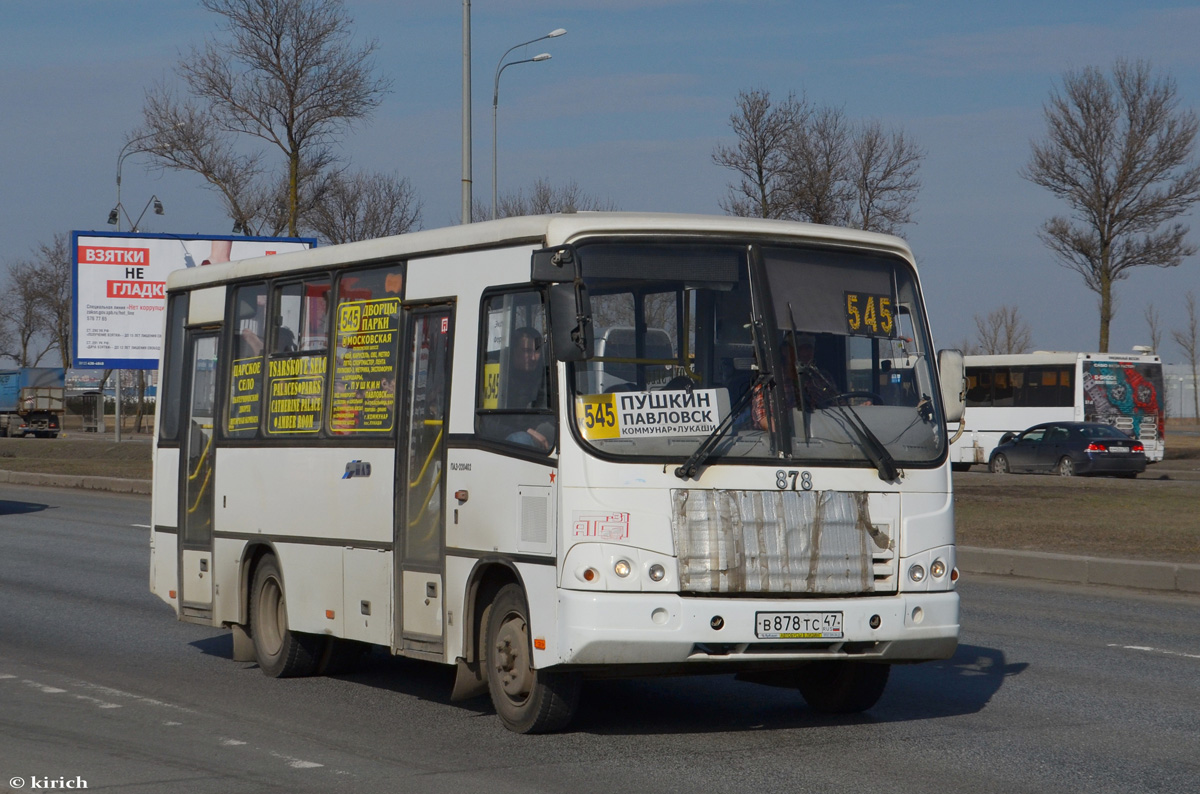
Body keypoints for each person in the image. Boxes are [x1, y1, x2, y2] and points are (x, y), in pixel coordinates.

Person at [502, 327, 556, 452]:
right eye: (526, 351)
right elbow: (491, 423)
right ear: (513, 351)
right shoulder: (502, 378)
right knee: (521, 440)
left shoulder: (542, 377)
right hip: (504, 436)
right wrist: (528, 431)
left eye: (536, 351)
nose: (533, 358)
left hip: (536, 429)